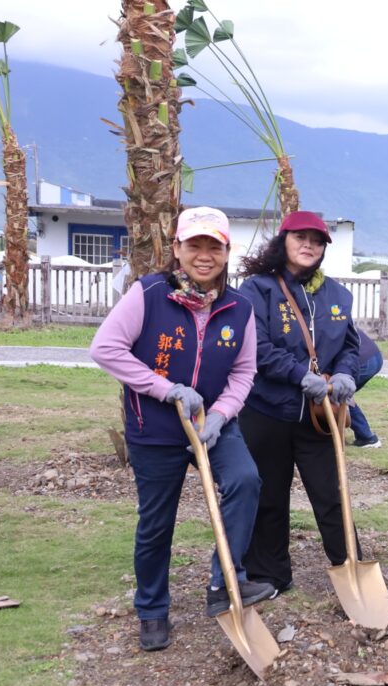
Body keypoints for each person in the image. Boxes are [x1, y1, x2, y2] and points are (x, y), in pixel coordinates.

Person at [90, 206, 274, 652]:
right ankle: (152, 609)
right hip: (154, 427)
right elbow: (106, 348)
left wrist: (221, 415)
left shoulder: (240, 308)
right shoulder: (149, 294)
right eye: (195, 245)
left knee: (246, 481)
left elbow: (243, 374)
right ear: (177, 249)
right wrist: (165, 389)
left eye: (214, 246)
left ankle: (224, 583)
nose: (204, 255)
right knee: (157, 522)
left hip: (213, 425)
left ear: (227, 252)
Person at [238, 210, 360, 596]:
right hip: (267, 411)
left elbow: (351, 347)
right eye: (300, 237)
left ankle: (351, 566)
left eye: (317, 239)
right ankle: (272, 575)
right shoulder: (257, 289)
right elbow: (255, 345)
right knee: (269, 495)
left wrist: (344, 374)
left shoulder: (339, 295)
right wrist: (298, 374)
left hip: (319, 415)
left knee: (331, 493)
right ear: (283, 241)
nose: (309, 245)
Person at [349, 328, 383, 447]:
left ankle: (366, 437)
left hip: (363, 360)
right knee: (341, 393)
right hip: (374, 354)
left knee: (338, 393)